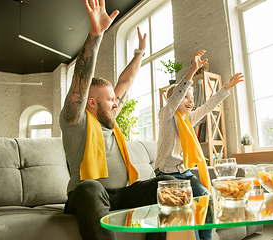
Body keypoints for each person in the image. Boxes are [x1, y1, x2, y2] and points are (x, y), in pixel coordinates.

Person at [60, 0, 175, 239]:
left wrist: (140, 52)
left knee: (166, 183)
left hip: (123, 194)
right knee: (90, 187)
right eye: (110, 99)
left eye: (115, 99)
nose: (117, 103)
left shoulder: (109, 117)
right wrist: (95, 35)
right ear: (91, 103)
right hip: (87, 197)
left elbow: (126, 82)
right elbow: (79, 85)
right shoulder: (76, 122)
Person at [154, 50, 244, 240]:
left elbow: (208, 106)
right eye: (185, 97)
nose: (190, 100)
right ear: (174, 100)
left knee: (206, 198)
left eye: (192, 97)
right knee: (188, 205)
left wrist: (227, 87)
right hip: (166, 174)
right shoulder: (166, 116)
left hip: (184, 172)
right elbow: (176, 96)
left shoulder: (189, 119)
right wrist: (191, 71)